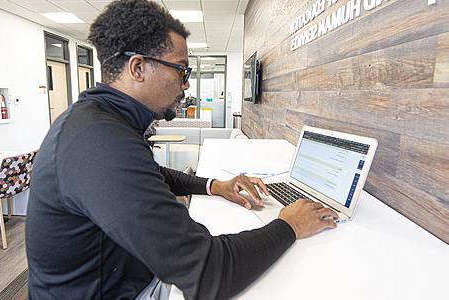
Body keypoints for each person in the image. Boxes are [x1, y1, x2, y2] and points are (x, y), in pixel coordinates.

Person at [25, 0, 339, 299]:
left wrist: (213, 186)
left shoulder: (98, 122)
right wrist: (289, 225)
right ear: (138, 68)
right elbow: (209, 274)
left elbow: (148, 174)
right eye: (181, 70)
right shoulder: (99, 142)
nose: (186, 84)